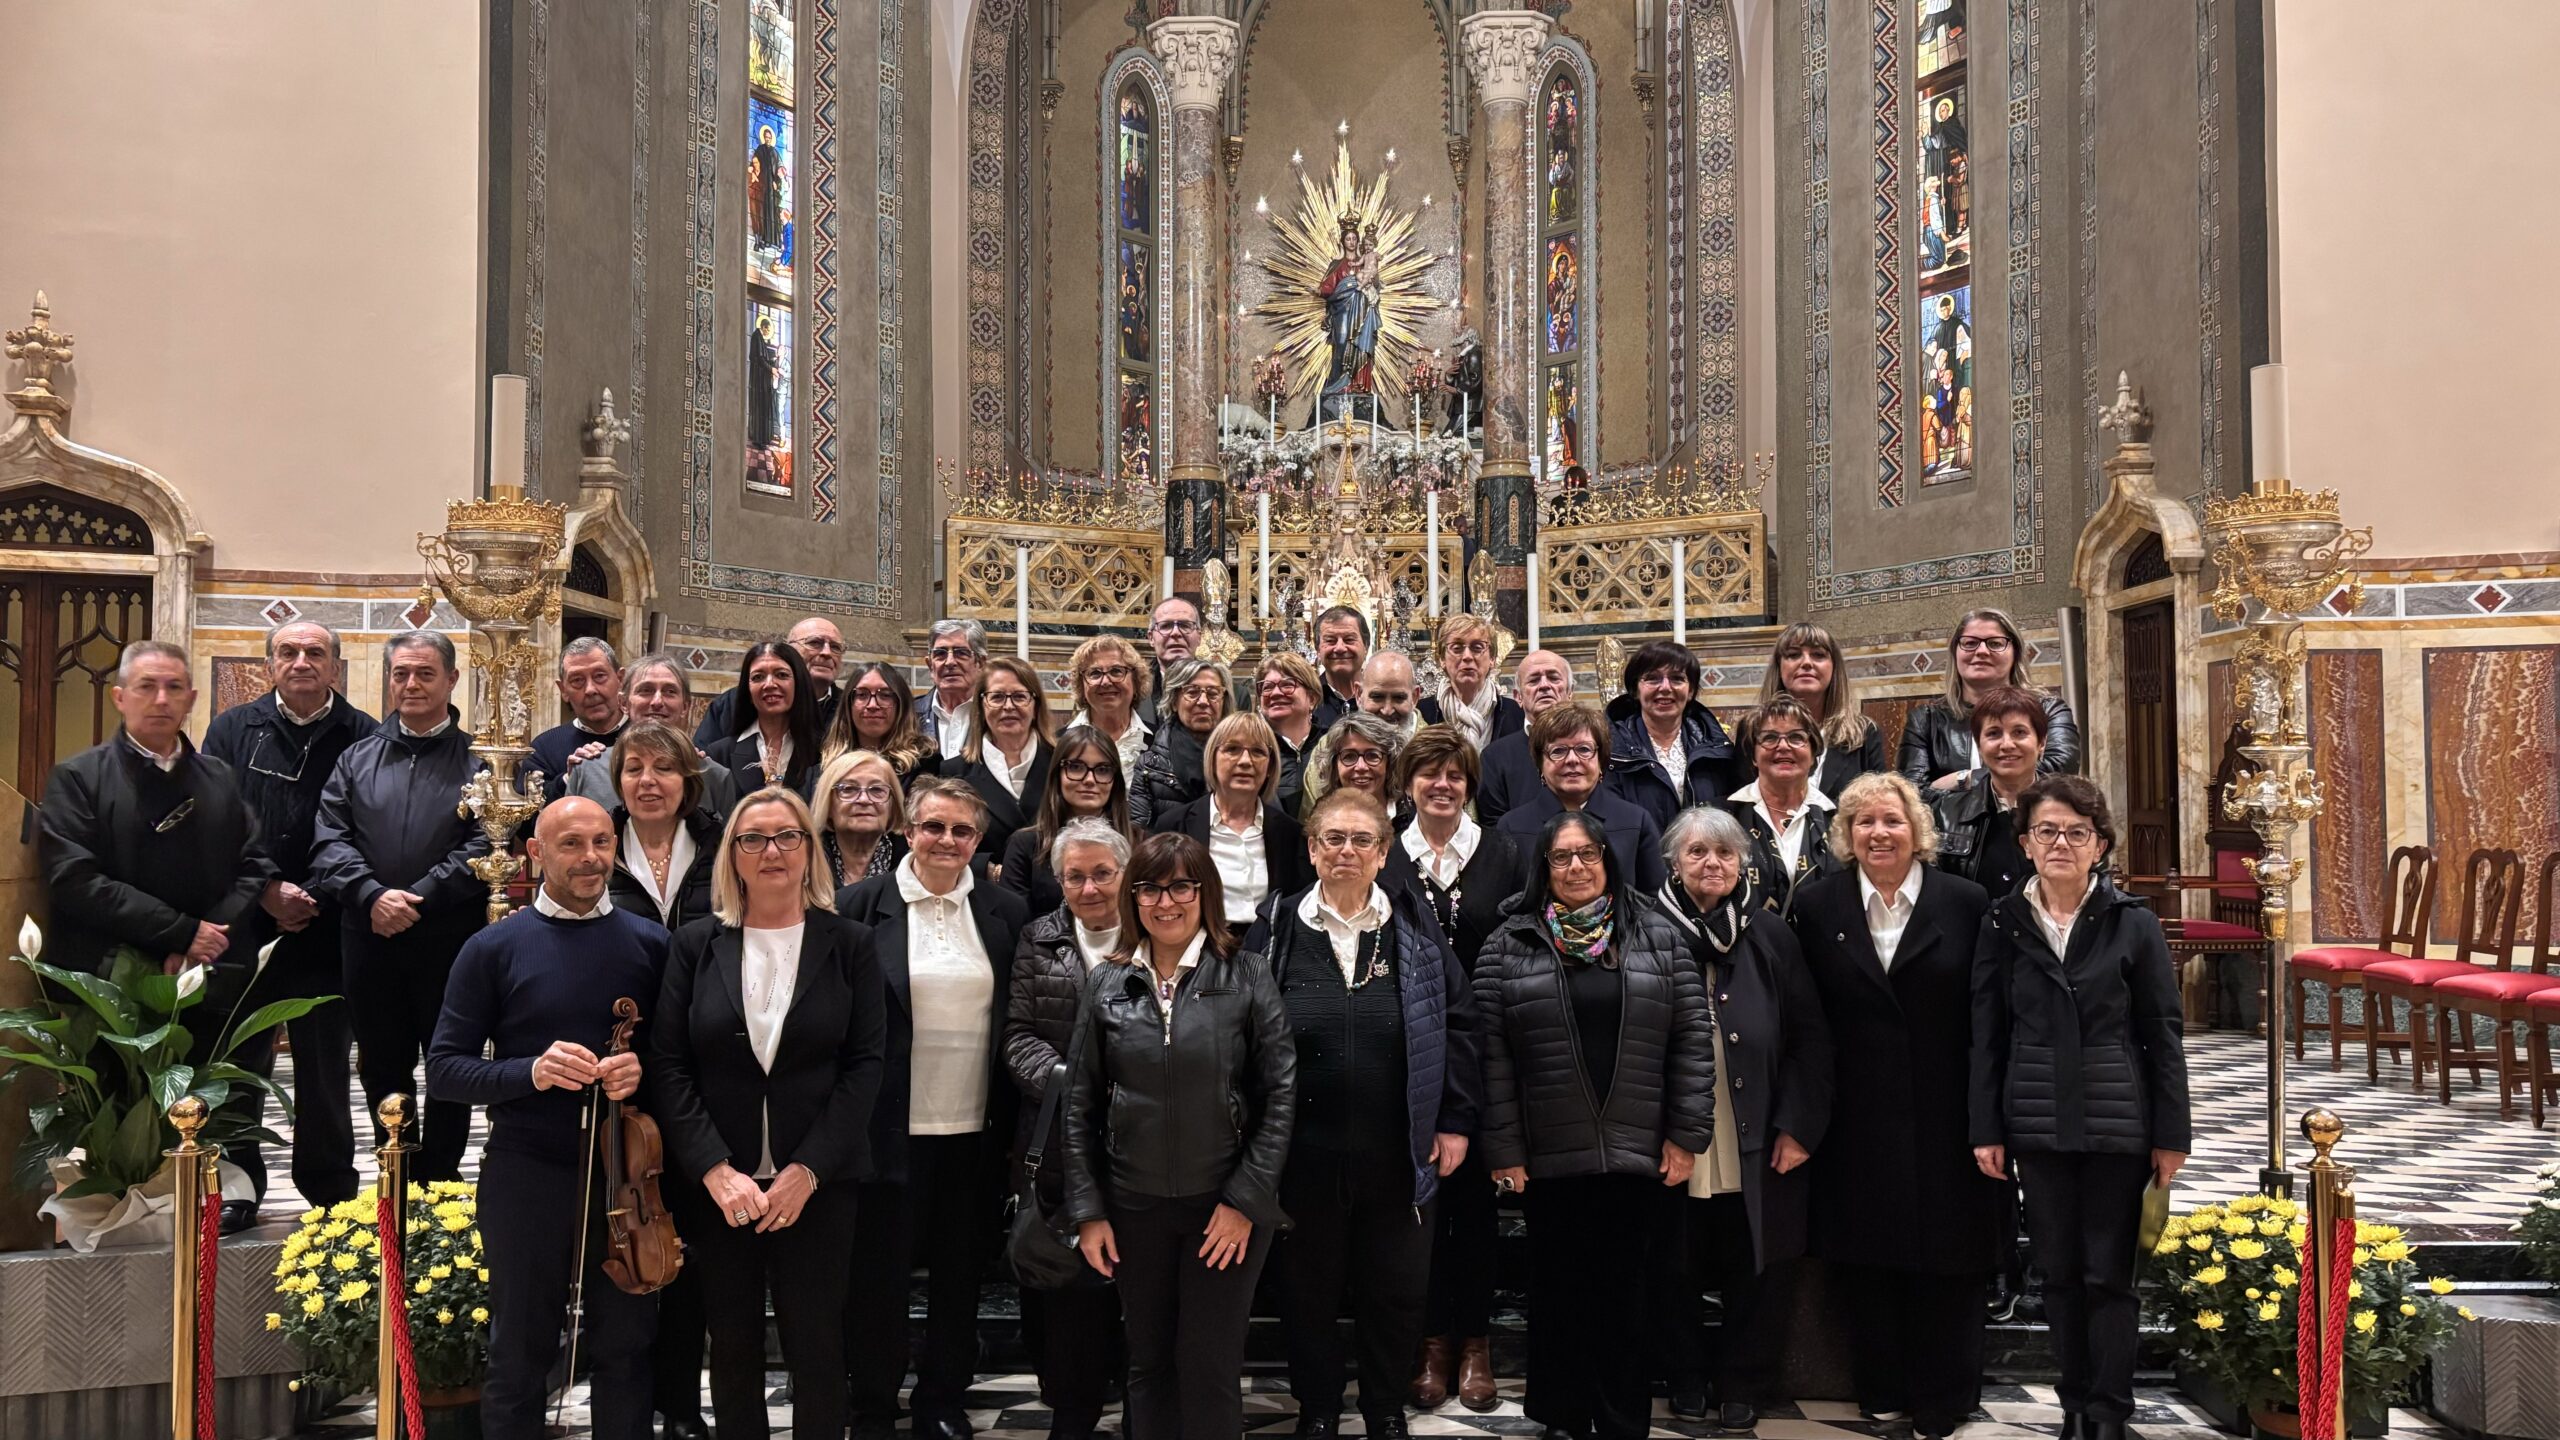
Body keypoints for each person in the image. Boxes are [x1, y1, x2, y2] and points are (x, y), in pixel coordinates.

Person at [427, 796, 671, 1440]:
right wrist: (527, 1072)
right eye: (571, 844)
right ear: (535, 853)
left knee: (626, 1347)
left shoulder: (652, 943)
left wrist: (639, 1068)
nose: (590, 858)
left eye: (602, 843)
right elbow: (445, 1071)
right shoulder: (492, 948)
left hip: (625, 1176)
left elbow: (679, 1063)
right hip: (526, 1170)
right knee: (520, 1351)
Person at [651, 786, 889, 1440]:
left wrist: (808, 1168)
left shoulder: (850, 944)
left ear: (811, 851)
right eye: (752, 838)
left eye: (788, 836)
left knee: (816, 1345)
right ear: (732, 855)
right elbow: (669, 1063)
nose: (771, 851)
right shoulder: (696, 944)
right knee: (730, 1346)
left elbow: (866, 1064)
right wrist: (711, 1170)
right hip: (719, 1187)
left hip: (818, 1184)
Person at [1475, 811, 1713, 1440]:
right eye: (1561, 857)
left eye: (1587, 854)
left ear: (1607, 859)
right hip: (1549, 1152)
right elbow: (1490, 1056)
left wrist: (1687, 1136)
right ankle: (1561, 1414)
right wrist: (1503, 1147)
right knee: (1557, 1293)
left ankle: (1619, 1418)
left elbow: (1692, 1039)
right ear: (1543, 867)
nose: (1575, 867)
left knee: (1628, 1295)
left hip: (1638, 1151)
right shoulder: (1509, 942)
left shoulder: (1657, 936)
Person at [1252, 788, 1477, 1440]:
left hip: (1398, 1149)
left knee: (1396, 1291)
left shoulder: (1413, 928)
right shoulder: (1276, 926)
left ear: (1383, 853)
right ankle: (1318, 1407)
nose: (1345, 850)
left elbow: (1458, 1023)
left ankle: (1384, 1407)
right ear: (1313, 849)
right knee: (1307, 1292)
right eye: (1332, 839)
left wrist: (1456, 1119)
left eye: (1360, 840)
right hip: (1302, 1153)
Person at [1970, 776, 2191, 1440]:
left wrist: (2171, 1132)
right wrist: (1986, 1126)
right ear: (2025, 844)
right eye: (2047, 831)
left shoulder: (2133, 922)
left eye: (2076, 832)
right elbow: (1987, 1033)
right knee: (2058, 1277)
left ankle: (2108, 1415)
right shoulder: (2002, 921)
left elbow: (2162, 1030)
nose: (2061, 843)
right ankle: (2072, 1408)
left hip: (2117, 1124)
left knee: (2110, 1278)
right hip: (2036, 1123)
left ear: (2099, 845)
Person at [1064, 834, 1296, 1440]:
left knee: (1209, 1363)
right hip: (1132, 1206)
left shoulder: (1248, 973)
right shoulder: (1106, 982)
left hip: (1224, 1208)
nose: (1165, 902)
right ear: (1132, 897)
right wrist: (1089, 1210)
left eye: (1181, 886)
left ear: (1205, 893)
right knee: (1147, 1363)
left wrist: (1245, 1200)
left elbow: (1280, 1096)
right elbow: (1080, 1104)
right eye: (1149, 887)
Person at [38, 640, 278, 1228]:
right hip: (120, 974)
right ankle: (132, 1215)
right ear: (120, 696)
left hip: (212, 972)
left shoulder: (219, 777)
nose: (161, 699)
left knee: (224, 1100)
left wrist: (207, 936)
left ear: (192, 698)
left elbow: (255, 864)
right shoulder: (78, 779)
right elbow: (74, 879)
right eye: (146, 686)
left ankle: (232, 1205)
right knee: (131, 1113)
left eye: (174, 687)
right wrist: (176, 934)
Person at [1789, 773, 1999, 1440]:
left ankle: (1944, 1397)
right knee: (1868, 1259)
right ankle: (1880, 1385)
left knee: (1951, 1261)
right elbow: (1807, 1020)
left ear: (1919, 831)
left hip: (1948, 1113)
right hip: (1856, 1114)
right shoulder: (1818, 906)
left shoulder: (1966, 902)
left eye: (1893, 820)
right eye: (1865, 822)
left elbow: (1987, 1017)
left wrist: (1989, 1118)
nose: (1880, 833)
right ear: (1846, 836)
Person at [836, 778, 1031, 1440]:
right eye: (933, 827)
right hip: (887, 1129)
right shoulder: (860, 907)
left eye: (962, 832)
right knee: (878, 1282)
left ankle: (942, 1399)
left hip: (975, 1130)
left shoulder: (1006, 913)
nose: (946, 841)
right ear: (907, 831)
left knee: (958, 1277)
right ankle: (872, 1405)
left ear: (978, 841)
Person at [1652, 807, 1833, 1430]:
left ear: (1743, 865)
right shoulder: (1646, 929)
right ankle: (1685, 1376)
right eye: (1698, 852)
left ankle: (1742, 1381)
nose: (1712, 865)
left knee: (1758, 1269)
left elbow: (1810, 1039)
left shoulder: (1772, 934)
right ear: (1673, 863)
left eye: (1725, 854)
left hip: (1759, 1133)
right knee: (1671, 1264)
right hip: (1667, 1135)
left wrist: (1798, 1126)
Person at [197, 620, 374, 1212]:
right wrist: (268, 890)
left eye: (315, 652)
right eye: (288, 652)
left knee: (325, 1070)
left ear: (335, 666)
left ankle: (331, 1196)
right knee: (241, 1061)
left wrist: (313, 895)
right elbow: (215, 822)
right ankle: (239, 1188)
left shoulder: (363, 735)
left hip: (327, 932)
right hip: (245, 927)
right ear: (270, 664)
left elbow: (361, 831)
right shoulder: (231, 730)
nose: (301, 661)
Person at [309, 630, 492, 1182]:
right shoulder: (356, 759)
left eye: (425, 673)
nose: (411, 684)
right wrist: (371, 896)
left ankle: (440, 1175)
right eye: (400, 674)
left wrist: (422, 896)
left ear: (451, 680)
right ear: (388, 681)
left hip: (450, 938)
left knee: (450, 1062)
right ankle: (397, 1167)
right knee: (382, 1064)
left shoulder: (481, 763)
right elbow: (329, 839)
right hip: (370, 937)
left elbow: (489, 843)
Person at [1383, 726, 1520, 1414]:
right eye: (1429, 774)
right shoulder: (1385, 860)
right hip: (1408, 1058)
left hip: (1490, 1055)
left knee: (1475, 1210)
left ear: (1470, 783)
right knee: (1419, 1211)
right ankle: (1431, 1343)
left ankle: (1476, 1343)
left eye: (1455, 775)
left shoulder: (1506, 854)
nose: (1443, 786)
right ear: (1407, 783)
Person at [1003, 818, 1132, 1440]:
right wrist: (1072, 1083)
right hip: (1059, 1141)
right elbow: (1018, 1036)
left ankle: (1144, 1409)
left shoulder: (1153, 934)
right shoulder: (1039, 938)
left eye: (1101, 874)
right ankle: (1074, 1414)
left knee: (1140, 1287)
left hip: (1144, 1139)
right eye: (1074, 876)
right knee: (1072, 1292)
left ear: (1125, 875)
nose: (1088, 888)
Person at [1898, 608, 2081, 790]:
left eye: (1995, 643)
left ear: (2015, 653)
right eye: (1970, 643)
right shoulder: (1926, 720)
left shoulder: (2048, 709)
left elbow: (2060, 770)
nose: (1982, 651)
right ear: (1955, 653)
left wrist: (1966, 778)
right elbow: (1912, 795)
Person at [1496, 702, 1667, 893]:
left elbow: (1654, 901)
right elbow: (1505, 903)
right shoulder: (1512, 827)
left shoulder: (1636, 821)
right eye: (1558, 751)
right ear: (1540, 764)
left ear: (1601, 760)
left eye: (1584, 749)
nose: (1572, 760)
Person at [1169, 713, 1314, 931]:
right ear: (1212, 758)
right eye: (1232, 749)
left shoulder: (1290, 833)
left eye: (1258, 752)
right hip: (1199, 950)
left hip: (1267, 955)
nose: (1245, 761)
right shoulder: (1174, 826)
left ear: (1270, 767)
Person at [568, 653, 744, 818]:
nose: (657, 702)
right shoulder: (588, 771)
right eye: (645, 690)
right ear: (623, 703)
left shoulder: (713, 776)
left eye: (670, 692)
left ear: (685, 706)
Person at [1602, 640, 1739, 830]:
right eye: (1652, 678)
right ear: (1635, 690)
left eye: (1677, 679)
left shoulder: (1718, 751)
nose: (1665, 687)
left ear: (1690, 690)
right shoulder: (1612, 751)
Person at [998, 725, 1131, 920]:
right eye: (1076, 767)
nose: (1089, 779)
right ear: (1056, 775)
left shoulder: (1140, 843)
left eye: (1102, 770)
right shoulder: (1024, 845)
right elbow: (1013, 922)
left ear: (1115, 780)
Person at [1931, 685, 2049, 900]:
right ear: (1979, 745)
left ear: (2041, 742)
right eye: (1994, 734)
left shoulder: (2072, 810)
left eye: (2019, 732)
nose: (2007, 744)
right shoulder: (1944, 814)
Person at [604, 721, 723, 932]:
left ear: (687, 780)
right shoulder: (598, 845)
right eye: (634, 769)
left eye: (663, 768)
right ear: (620, 782)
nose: (647, 780)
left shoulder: (720, 843)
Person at [1727, 698, 1840, 917]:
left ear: (1813, 752)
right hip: (1744, 948)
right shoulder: (1723, 816)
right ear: (1753, 756)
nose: (1783, 746)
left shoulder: (1840, 820)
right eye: (1769, 738)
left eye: (1796, 737)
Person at [942, 655, 1056, 872]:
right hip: (985, 895)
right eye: (997, 697)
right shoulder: (954, 772)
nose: (1009, 706)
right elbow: (945, 841)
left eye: (1019, 696)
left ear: (1036, 705)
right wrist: (988, 869)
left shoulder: (1063, 764)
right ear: (981, 706)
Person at [1759, 622, 1888, 798]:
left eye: (1818, 655)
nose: (1806, 662)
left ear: (1834, 668)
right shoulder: (1754, 730)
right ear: (1779, 667)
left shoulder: (1864, 734)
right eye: (1794, 655)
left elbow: (1877, 802)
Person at [692, 617, 849, 746]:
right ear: (789, 650)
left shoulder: (849, 707)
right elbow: (704, 764)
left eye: (835, 647)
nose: (827, 652)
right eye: (815, 643)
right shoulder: (730, 704)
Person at [704, 640, 824, 798]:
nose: (769, 684)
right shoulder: (719, 754)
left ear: (799, 683)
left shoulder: (823, 751)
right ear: (747, 690)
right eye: (758, 677)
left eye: (781, 675)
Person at [1476, 649, 1575, 828]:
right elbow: (1494, 828)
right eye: (1534, 680)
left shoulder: (1591, 747)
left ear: (1570, 692)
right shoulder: (1494, 757)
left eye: (1553, 678)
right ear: (1518, 697)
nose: (1544, 685)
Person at [1129, 658, 1229, 830]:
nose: (1204, 701)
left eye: (1213, 693)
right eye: (1192, 692)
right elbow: (1139, 833)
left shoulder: (1241, 758)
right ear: (1174, 701)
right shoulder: (1150, 765)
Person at [528, 637, 628, 803]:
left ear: (621, 679)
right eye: (577, 680)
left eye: (600, 676)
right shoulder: (544, 748)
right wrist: (568, 779)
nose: (590, 690)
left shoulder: (647, 737)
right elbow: (527, 822)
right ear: (563, 690)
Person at [1416, 615, 1522, 753]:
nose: (1467, 656)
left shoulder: (1515, 713)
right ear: (1442, 659)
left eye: (1477, 648)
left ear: (1492, 658)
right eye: (1457, 648)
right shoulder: (1422, 713)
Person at [826, 661, 939, 787]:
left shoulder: (926, 766)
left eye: (885, 695)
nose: (872, 705)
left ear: (901, 705)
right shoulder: (825, 768)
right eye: (862, 695)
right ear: (848, 705)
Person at [815, 749, 911, 889]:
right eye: (848, 789)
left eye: (876, 790)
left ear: (892, 805)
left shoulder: (914, 866)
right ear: (827, 804)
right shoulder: (804, 863)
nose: (864, 800)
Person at [1298, 711, 1406, 826]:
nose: (1361, 767)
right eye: (1349, 756)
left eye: (1373, 756)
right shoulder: (1318, 822)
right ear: (1334, 766)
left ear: (1390, 762)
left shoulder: (1413, 816)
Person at [1064, 634, 1154, 771]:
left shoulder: (1161, 742)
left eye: (1116, 671)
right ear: (1081, 685)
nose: (1105, 682)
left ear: (1136, 682)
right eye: (1095, 673)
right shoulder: (1056, 744)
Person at [1257, 652, 1327, 815]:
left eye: (1287, 685)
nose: (1275, 693)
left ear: (1312, 698)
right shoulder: (1251, 749)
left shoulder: (1332, 744)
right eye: (1267, 687)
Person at [919, 619, 988, 759]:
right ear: (930, 664)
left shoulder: (994, 714)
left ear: (980, 663)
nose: (950, 662)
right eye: (940, 653)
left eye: (961, 653)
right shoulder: (908, 715)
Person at [1140, 597, 1204, 725]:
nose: (1176, 633)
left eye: (1185, 625)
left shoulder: (1234, 695)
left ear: (1199, 637)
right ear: (1151, 638)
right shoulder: (1132, 689)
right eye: (1166, 626)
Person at [1311, 606, 1371, 733]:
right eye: (1330, 640)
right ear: (1318, 650)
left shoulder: (1382, 697)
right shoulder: (1306, 698)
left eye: (1349, 639)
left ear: (1366, 647)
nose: (1340, 648)